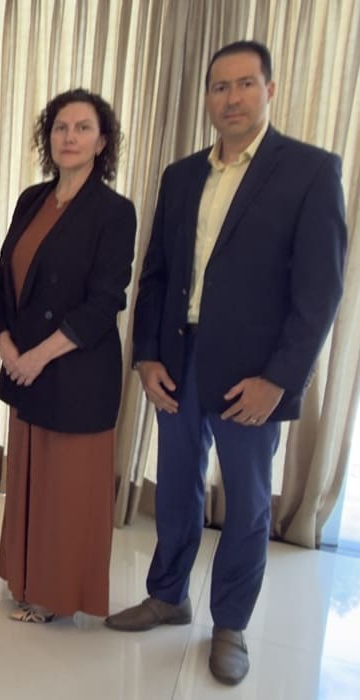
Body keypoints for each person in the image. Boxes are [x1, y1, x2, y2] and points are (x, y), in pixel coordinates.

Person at [106, 41, 346, 686]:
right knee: (175, 487)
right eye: (220, 87)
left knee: (247, 503)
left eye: (244, 84)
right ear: (208, 97)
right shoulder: (181, 175)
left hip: (253, 373)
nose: (232, 98)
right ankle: (167, 596)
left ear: (270, 90)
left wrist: (279, 380)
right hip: (177, 360)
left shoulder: (310, 171)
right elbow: (155, 274)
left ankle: (231, 624)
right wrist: (147, 356)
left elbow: (319, 292)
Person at [0, 89, 136, 624]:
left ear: (102, 142)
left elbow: (105, 302)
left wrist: (37, 357)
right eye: (59, 128)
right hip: (25, 365)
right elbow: (1, 281)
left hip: (76, 369)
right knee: (31, 480)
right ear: (47, 138)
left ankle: (58, 595)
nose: (69, 137)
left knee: (68, 489)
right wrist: (6, 343)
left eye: (82, 128)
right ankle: (27, 580)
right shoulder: (31, 199)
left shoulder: (115, 212)